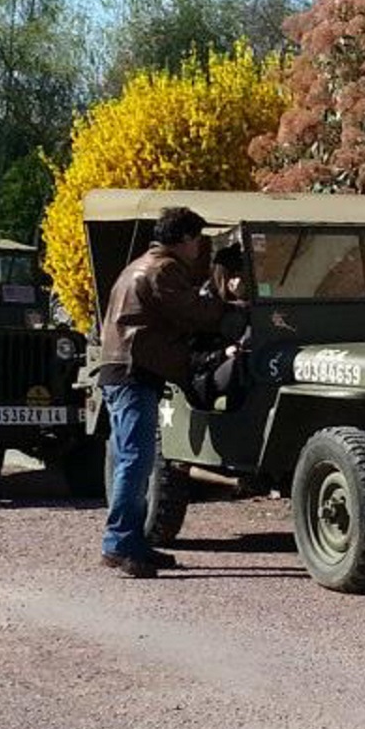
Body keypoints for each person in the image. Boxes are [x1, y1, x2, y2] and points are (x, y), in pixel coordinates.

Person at [93, 207, 225, 578]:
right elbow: (196, 313)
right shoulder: (162, 270)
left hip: (123, 370)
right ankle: (119, 545)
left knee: (130, 460)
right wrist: (227, 304)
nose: (200, 247)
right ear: (185, 238)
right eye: (198, 239)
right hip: (134, 373)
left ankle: (132, 543)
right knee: (135, 461)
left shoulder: (141, 264)